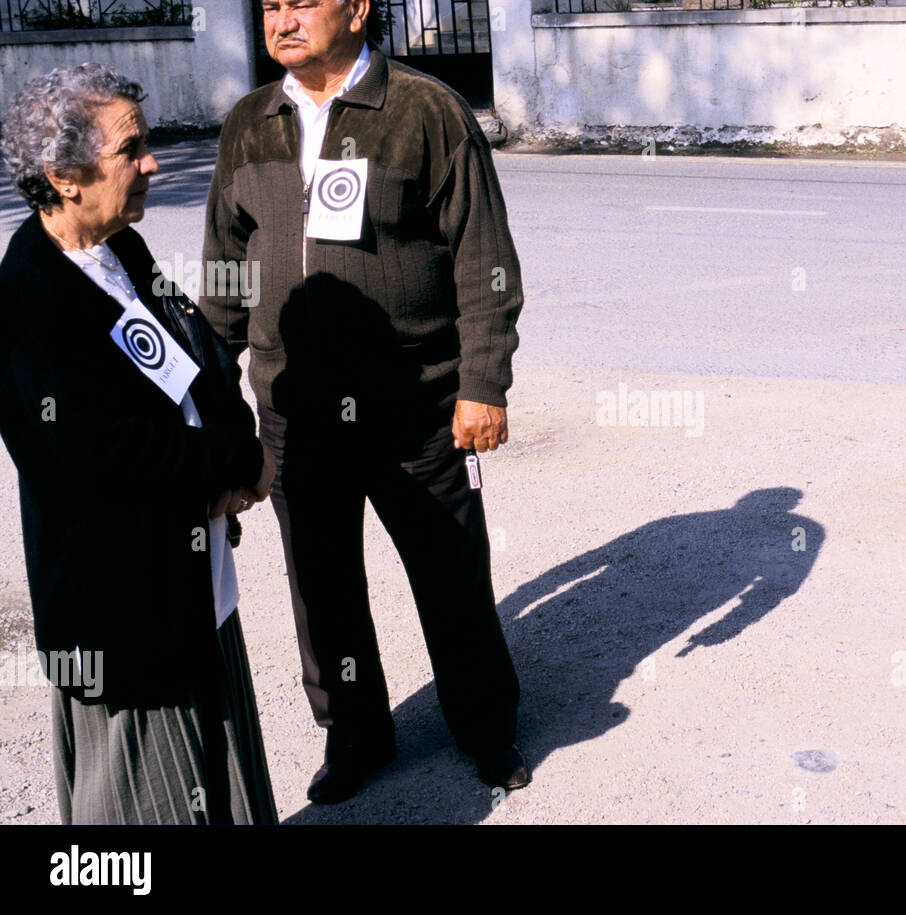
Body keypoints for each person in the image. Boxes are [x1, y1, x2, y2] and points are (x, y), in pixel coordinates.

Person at [200, 0, 529, 804]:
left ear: (356, 9)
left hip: (414, 405)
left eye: (300, 3)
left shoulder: (425, 111)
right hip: (294, 411)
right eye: (270, 7)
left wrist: (483, 383)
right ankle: (355, 731)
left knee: (450, 575)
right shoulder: (250, 121)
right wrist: (210, 390)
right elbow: (225, 273)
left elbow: (483, 257)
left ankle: (485, 725)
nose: (281, 20)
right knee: (323, 587)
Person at [0, 65, 277, 823]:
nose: (153, 162)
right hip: (123, 608)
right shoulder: (31, 295)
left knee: (222, 773)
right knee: (146, 801)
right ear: (64, 177)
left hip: (191, 578)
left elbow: (201, 357)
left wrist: (235, 436)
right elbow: (103, 455)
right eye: (134, 150)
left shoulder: (121, 251)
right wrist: (241, 462)